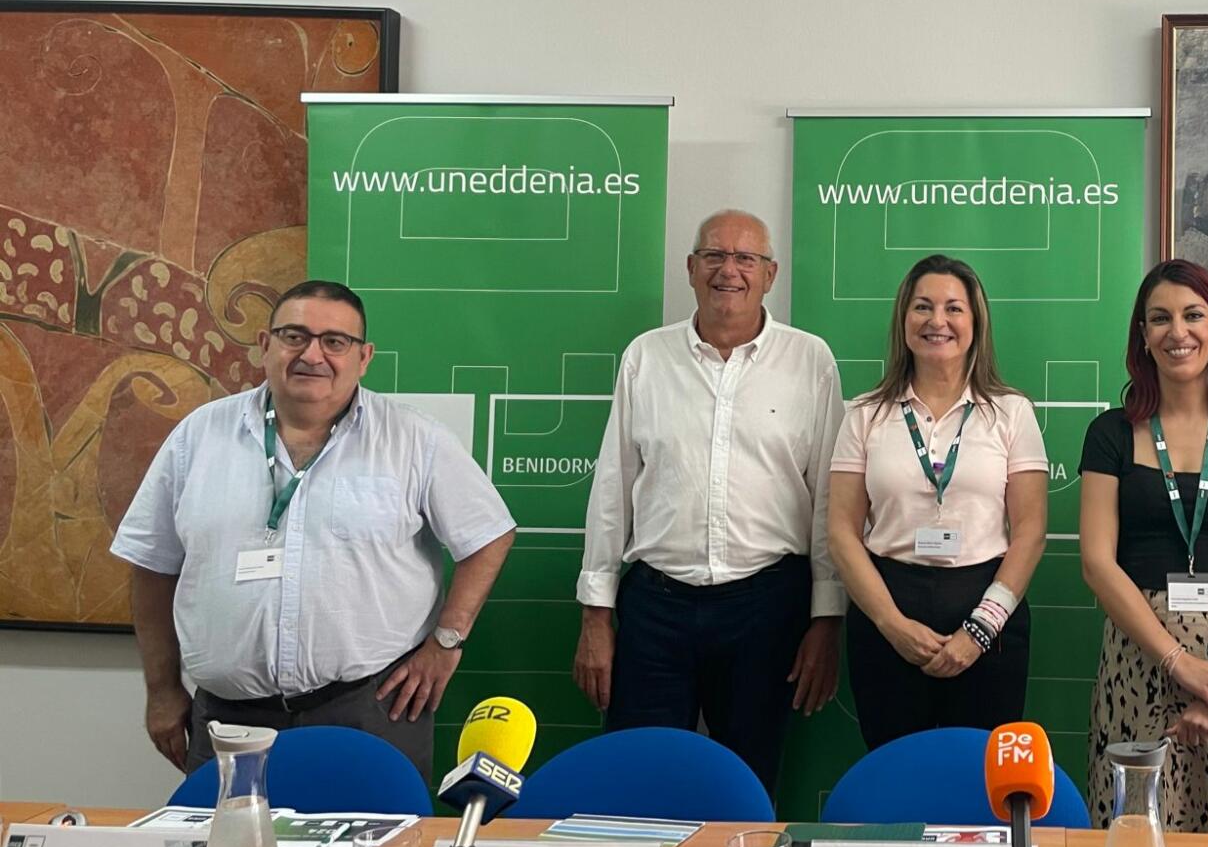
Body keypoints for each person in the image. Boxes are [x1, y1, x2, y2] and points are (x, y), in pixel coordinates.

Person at [112, 279, 516, 775]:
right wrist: (161, 690)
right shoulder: (198, 436)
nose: (312, 355)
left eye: (335, 341)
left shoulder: (414, 439)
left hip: (371, 711)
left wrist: (446, 643)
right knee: (229, 830)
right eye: (294, 336)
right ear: (265, 345)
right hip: (227, 719)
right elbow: (151, 565)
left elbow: (489, 535)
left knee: (376, 830)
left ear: (363, 357)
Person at [574, 209, 845, 795]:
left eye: (746, 258)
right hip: (656, 606)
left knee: (746, 786)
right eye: (715, 256)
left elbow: (829, 498)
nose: (729, 270)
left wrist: (826, 619)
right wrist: (596, 614)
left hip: (767, 608)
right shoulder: (646, 356)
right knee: (639, 782)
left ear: (770, 274)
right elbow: (614, 486)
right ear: (691, 268)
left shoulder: (810, 361)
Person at [1078, 259, 1208, 830]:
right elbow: (1097, 562)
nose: (1178, 332)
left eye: (1193, 315)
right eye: (1160, 318)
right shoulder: (1111, 434)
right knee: (1134, 834)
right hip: (1138, 659)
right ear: (1143, 335)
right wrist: (1178, 662)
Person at [828, 254, 1049, 748]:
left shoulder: (1011, 413)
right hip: (887, 609)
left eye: (953, 308)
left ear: (975, 322)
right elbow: (841, 531)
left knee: (978, 775)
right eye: (923, 307)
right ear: (904, 319)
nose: (937, 321)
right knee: (897, 772)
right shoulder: (864, 415)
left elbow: (1031, 532)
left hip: (987, 609)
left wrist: (980, 630)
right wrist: (892, 625)